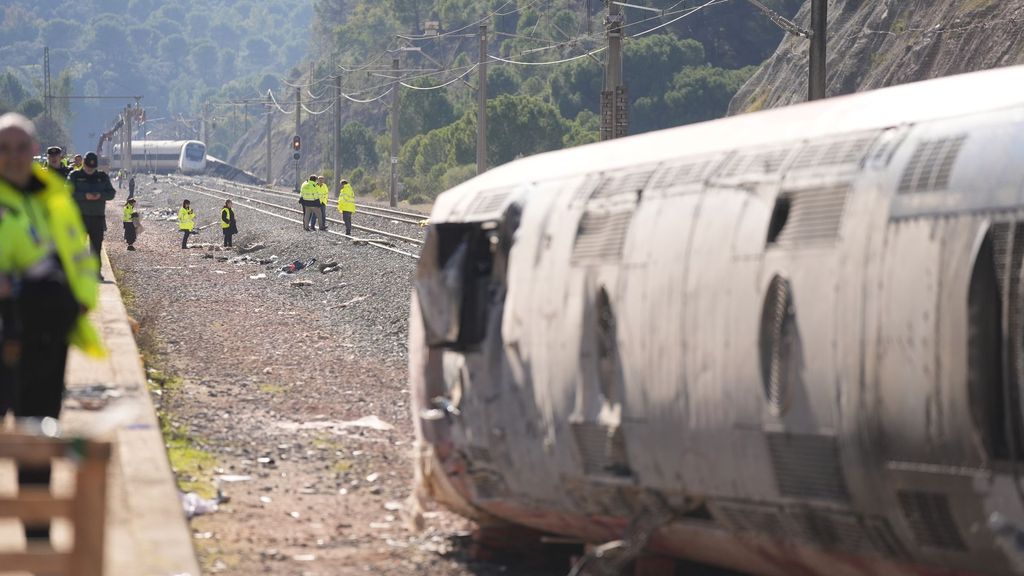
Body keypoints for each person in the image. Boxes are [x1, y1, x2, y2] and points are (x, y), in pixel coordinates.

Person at [0, 113, 104, 542]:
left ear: (36, 149)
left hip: (45, 331)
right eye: (3, 149)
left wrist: (81, 301)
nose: (13, 157)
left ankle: (38, 541)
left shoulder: (54, 195)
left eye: (21, 147)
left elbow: (74, 251)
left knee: (36, 438)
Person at [68, 151, 117, 266]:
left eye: (92, 167)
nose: (90, 170)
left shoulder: (102, 177)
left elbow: (111, 193)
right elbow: (68, 193)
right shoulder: (75, 176)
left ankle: (96, 272)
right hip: (79, 217)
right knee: (77, 247)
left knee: (96, 247)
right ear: (83, 164)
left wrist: (100, 195)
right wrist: (84, 196)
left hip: (97, 217)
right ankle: (77, 273)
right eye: (88, 167)